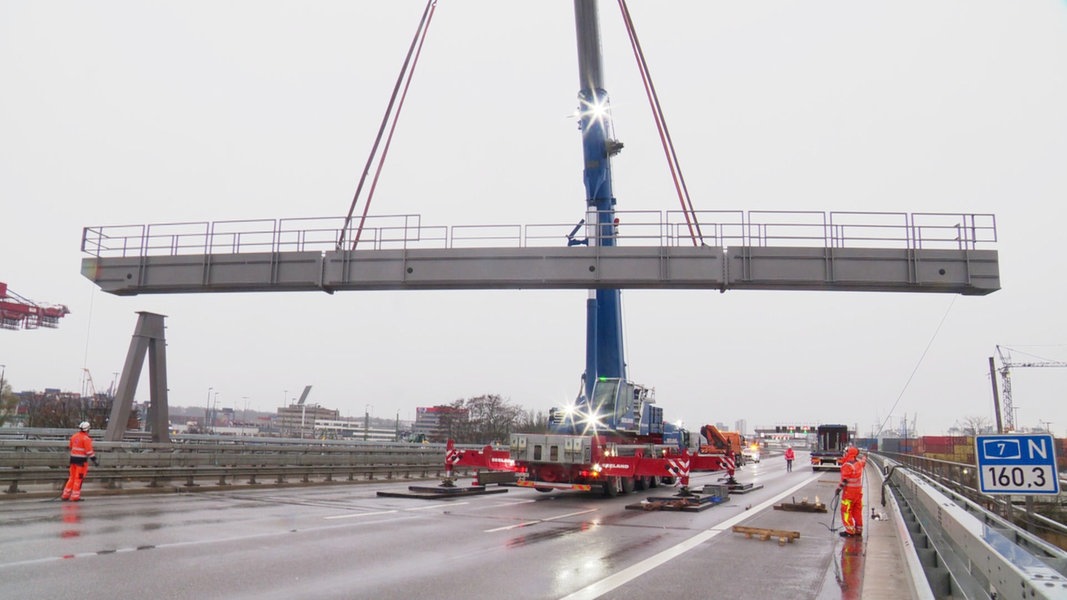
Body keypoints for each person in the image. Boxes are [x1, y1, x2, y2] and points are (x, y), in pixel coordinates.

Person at [61, 421, 98, 502]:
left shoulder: (74, 436)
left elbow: (70, 446)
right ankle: (75, 496)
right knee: (78, 479)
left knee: (71, 478)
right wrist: (94, 460)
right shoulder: (86, 439)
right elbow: (89, 452)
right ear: (88, 429)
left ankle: (65, 495)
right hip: (81, 462)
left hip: (73, 460)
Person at [836, 446, 866, 537]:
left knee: (846, 510)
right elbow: (863, 462)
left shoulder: (847, 465)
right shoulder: (858, 463)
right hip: (858, 492)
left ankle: (850, 530)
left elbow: (844, 480)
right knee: (857, 511)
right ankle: (858, 529)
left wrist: (838, 489)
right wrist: (865, 457)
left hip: (849, 493)